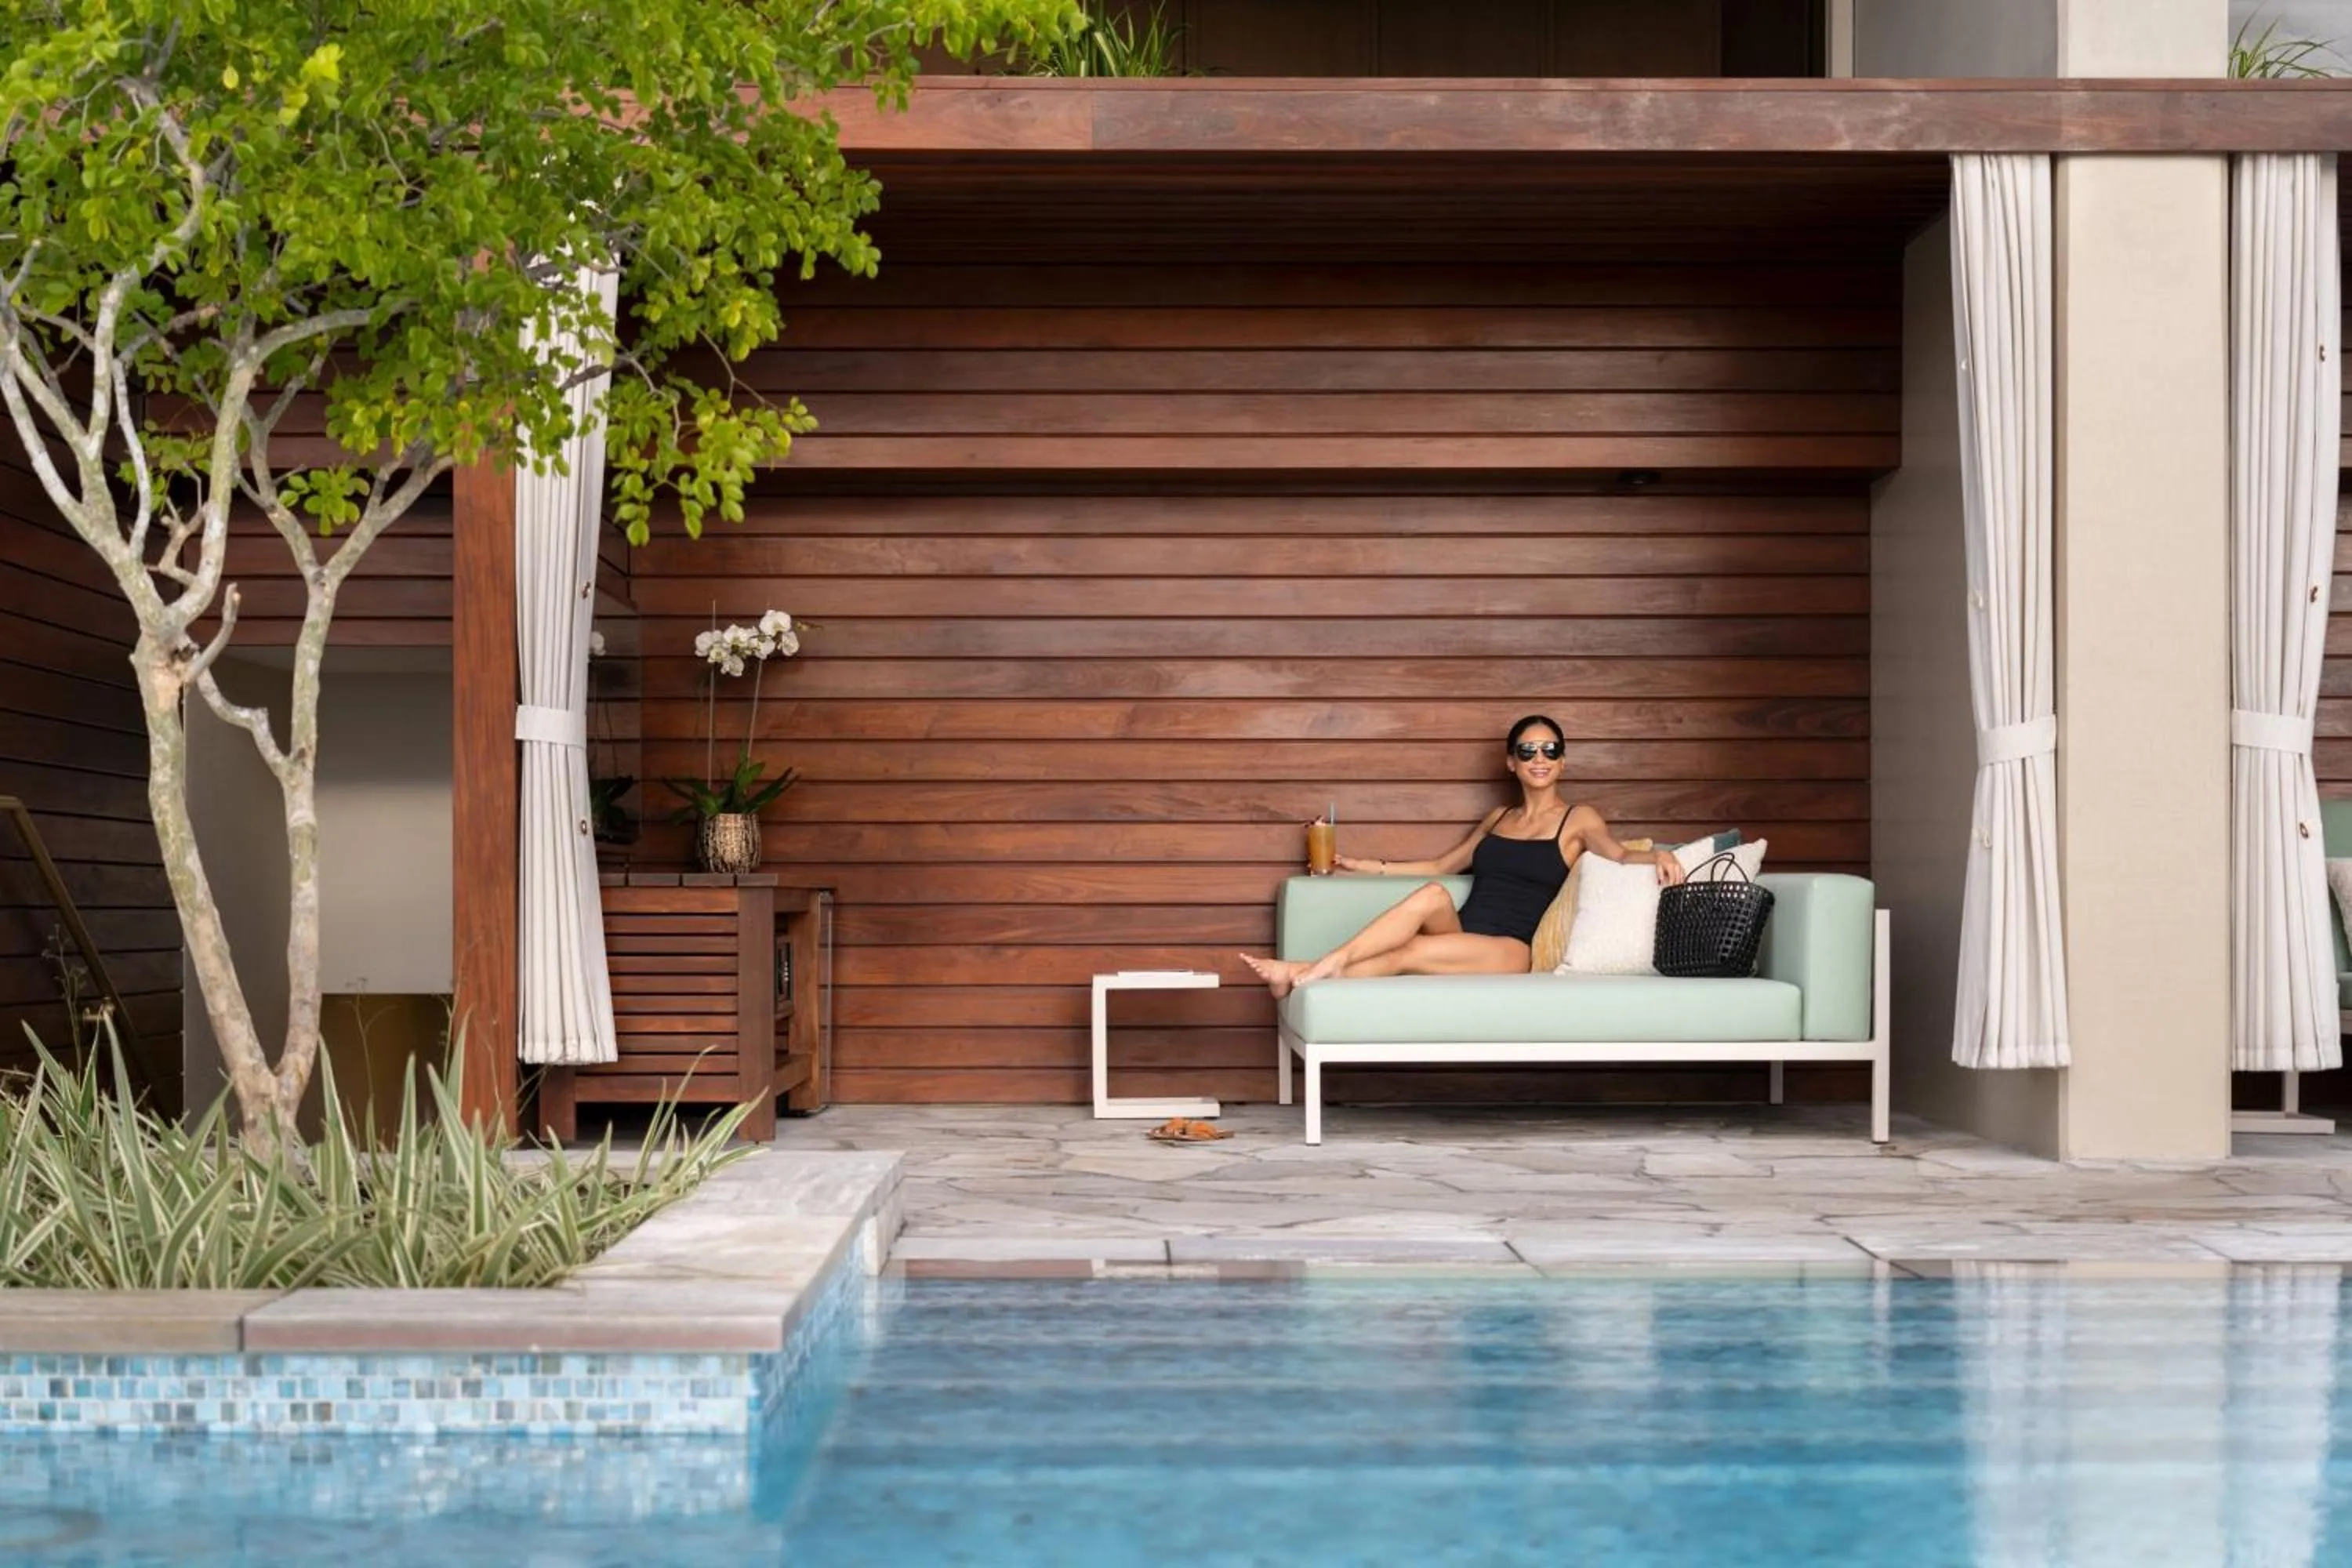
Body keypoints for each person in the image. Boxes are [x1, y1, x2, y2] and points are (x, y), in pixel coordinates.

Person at [1239, 714, 1686, 999]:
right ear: (1511, 762)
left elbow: (1619, 854)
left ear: (1563, 763)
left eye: (1550, 750)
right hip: (1465, 932)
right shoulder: (1498, 818)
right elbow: (1441, 867)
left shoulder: (1578, 819)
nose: (1539, 758)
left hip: (1510, 949)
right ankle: (1312, 969)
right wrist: (1360, 865)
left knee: (1409, 951)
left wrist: (1658, 859)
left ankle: (1316, 967)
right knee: (1434, 893)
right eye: (1527, 750)